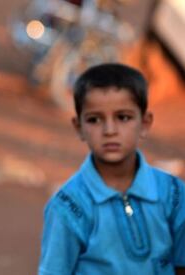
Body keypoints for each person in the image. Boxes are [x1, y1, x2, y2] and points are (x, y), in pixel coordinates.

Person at [38, 63, 185, 274]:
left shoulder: (173, 194)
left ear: (144, 123)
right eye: (94, 119)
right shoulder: (68, 206)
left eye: (123, 117)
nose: (109, 130)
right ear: (79, 127)